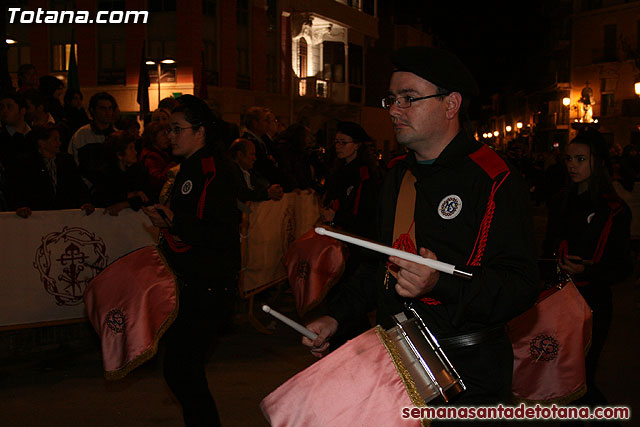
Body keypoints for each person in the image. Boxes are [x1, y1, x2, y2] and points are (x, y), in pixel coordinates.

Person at [302, 47, 539, 411]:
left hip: (467, 374)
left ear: (451, 104)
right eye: (392, 99)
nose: (394, 110)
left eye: (409, 99)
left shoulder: (494, 178)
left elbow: (520, 285)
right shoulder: (399, 175)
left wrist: (438, 283)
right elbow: (378, 264)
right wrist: (336, 316)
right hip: (397, 360)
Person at [142, 95, 239, 427]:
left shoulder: (214, 170)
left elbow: (219, 232)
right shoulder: (189, 168)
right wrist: (168, 221)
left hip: (208, 285)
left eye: (177, 129)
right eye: (168, 129)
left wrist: (175, 222)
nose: (170, 135)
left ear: (200, 131)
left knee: (183, 370)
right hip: (188, 283)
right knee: (183, 370)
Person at [544, 127, 632, 407]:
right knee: (564, 381)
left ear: (598, 162)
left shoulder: (614, 209)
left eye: (580, 159)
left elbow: (623, 266)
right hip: (558, 301)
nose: (572, 165)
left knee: (582, 379)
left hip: (593, 304)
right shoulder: (559, 202)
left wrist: (590, 270)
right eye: (569, 159)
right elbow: (547, 249)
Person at [9, 124, 94, 218]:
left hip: (65, 216)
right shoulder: (27, 164)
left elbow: (78, 186)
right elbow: (18, 189)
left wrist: (85, 202)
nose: (59, 143)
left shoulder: (66, 161)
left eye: (59, 140)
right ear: (42, 143)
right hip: (37, 217)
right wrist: (21, 207)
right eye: (55, 140)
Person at [89, 130, 150, 216]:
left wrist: (125, 204)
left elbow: (146, 197)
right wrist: (130, 195)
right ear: (119, 155)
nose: (135, 152)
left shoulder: (139, 171)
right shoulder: (105, 173)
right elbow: (101, 198)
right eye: (131, 148)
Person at [227, 137, 283, 203]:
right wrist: (267, 193)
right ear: (240, 155)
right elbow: (243, 194)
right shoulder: (230, 173)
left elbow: (260, 187)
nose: (255, 158)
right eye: (251, 154)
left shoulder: (251, 173)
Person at [139, 121, 178, 203]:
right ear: (153, 138)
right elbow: (157, 181)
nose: (168, 138)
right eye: (163, 135)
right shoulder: (151, 157)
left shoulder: (162, 154)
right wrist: (172, 165)